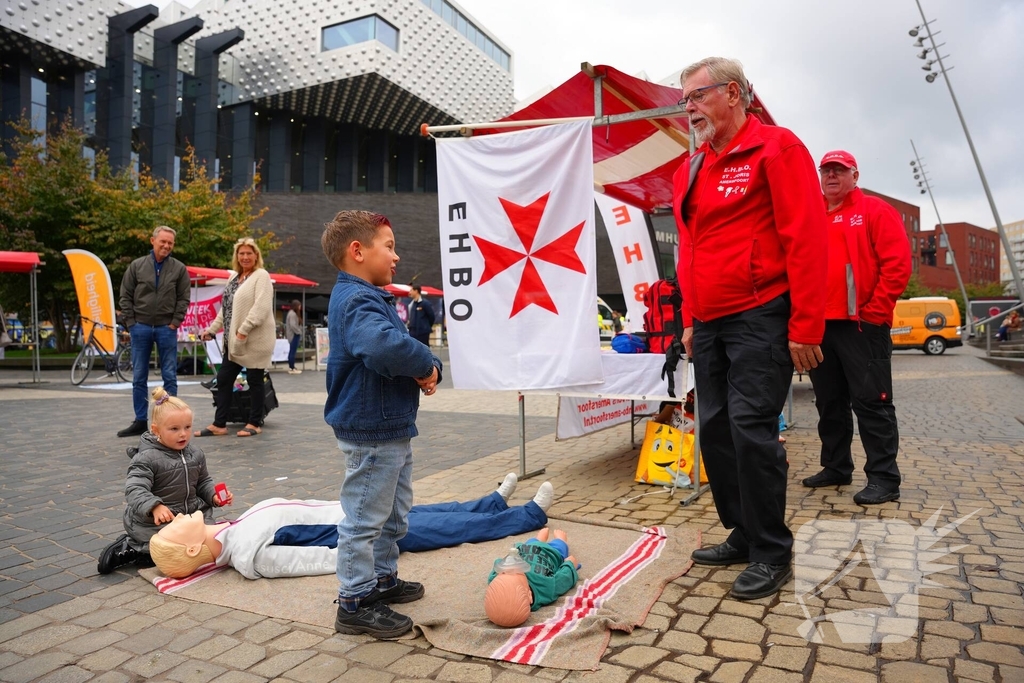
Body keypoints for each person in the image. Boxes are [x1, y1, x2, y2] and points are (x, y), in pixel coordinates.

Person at [671, 57, 827, 600]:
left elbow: (806, 238)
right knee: (713, 429)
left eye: (698, 95)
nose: (687, 106)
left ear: (734, 93)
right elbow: (688, 249)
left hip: (761, 313)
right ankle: (742, 531)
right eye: (683, 97)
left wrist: (807, 324)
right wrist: (691, 320)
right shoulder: (689, 169)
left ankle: (771, 549)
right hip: (710, 322)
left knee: (750, 428)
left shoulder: (778, 149)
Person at [321, 210, 443, 639]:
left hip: (388, 426)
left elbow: (389, 346)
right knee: (364, 518)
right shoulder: (357, 299)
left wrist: (421, 366)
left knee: (392, 512)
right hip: (372, 429)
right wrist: (426, 364)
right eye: (388, 246)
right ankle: (354, 600)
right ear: (358, 251)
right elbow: (383, 346)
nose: (396, 256)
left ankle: (383, 579)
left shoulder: (368, 296)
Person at [148, 475, 555, 580]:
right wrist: (371, 554)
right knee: (446, 527)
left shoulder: (231, 530)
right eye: (176, 529)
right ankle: (527, 517)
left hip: (352, 511)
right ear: (189, 549)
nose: (179, 517)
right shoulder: (249, 556)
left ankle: (491, 503)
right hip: (364, 533)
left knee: (429, 508)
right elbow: (316, 561)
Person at [804, 150, 912, 505]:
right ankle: (836, 466)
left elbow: (897, 266)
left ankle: (884, 478)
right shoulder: (811, 216)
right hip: (821, 327)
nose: (831, 176)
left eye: (839, 170)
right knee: (829, 403)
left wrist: (875, 312)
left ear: (855, 175)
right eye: (826, 170)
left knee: (872, 403)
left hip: (862, 326)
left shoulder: (875, 211)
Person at [97, 388, 233, 574]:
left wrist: (213, 495)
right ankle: (131, 547)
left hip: (190, 517)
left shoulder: (196, 454)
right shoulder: (146, 458)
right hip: (155, 522)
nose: (183, 434)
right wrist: (155, 507)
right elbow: (134, 488)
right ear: (156, 430)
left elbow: (202, 482)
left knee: (209, 544)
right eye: (174, 429)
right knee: (162, 552)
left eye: (187, 427)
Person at [195, 238, 276, 438]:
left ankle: (254, 422)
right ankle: (219, 424)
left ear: (256, 255)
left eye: (249, 253)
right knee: (223, 380)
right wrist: (212, 329)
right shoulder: (234, 278)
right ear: (236, 257)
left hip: (254, 338)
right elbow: (226, 309)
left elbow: (262, 307)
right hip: (234, 342)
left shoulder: (261, 276)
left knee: (255, 380)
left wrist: (244, 329)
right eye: (242, 253)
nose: (245, 257)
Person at [117, 226, 191, 437]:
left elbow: (183, 298)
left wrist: (175, 322)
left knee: (170, 375)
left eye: (170, 243)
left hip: (166, 327)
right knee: (139, 376)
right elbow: (126, 295)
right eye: (163, 242)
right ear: (153, 240)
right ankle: (141, 420)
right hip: (140, 326)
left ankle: (171, 419)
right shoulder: (137, 266)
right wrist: (131, 323)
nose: (167, 246)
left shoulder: (179, 268)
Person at [484, 527, 580, 628]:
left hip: (526, 548)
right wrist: (570, 564)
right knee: (560, 546)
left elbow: (498, 563)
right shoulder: (546, 588)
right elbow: (564, 578)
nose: (511, 568)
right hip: (550, 553)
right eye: (517, 573)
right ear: (529, 595)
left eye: (503, 573)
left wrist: (502, 565)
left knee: (531, 542)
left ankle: (540, 538)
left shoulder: (494, 578)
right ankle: (560, 539)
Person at [285, 299, 303, 374]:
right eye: (299, 305)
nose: (300, 307)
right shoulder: (293, 314)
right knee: (292, 351)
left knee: (292, 351)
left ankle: (292, 366)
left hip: (293, 334)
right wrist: (299, 332)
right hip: (294, 335)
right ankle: (292, 367)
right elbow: (293, 325)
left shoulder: (291, 313)